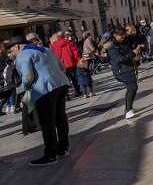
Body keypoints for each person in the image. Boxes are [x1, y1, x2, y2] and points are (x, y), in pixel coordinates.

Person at [5, 36, 71, 166]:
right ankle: (63, 148)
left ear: (17, 46)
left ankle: (50, 155)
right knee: (60, 118)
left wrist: (23, 89)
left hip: (44, 90)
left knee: (47, 123)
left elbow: (28, 77)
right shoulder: (45, 50)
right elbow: (62, 67)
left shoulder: (23, 55)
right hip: (61, 84)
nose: (12, 53)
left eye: (11, 50)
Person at [105, 27, 141, 120]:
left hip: (128, 67)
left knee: (133, 87)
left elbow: (129, 49)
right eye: (121, 37)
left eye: (124, 36)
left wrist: (135, 56)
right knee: (132, 87)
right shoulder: (112, 46)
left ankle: (128, 109)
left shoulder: (124, 42)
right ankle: (128, 110)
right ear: (115, 35)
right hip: (121, 70)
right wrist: (133, 54)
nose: (123, 38)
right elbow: (119, 59)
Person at [50, 31, 81, 98]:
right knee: (74, 79)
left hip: (60, 66)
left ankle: (66, 95)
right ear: (63, 36)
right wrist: (77, 60)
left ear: (57, 37)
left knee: (64, 81)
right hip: (71, 64)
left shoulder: (53, 45)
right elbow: (76, 52)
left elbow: (53, 56)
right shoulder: (70, 43)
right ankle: (78, 91)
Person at [77, 32, 95, 98]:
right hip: (85, 60)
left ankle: (85, 94)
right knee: (87, 75)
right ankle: (90, 92)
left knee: (82, 77)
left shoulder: (83, 42)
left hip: (81, 62)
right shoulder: (88, 41)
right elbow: (92, 49)